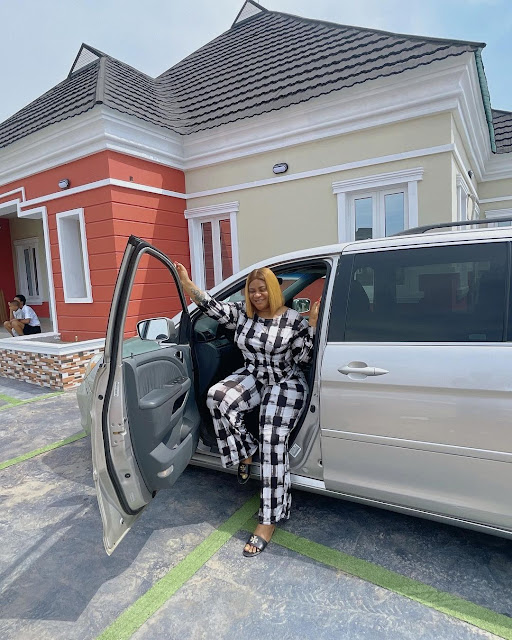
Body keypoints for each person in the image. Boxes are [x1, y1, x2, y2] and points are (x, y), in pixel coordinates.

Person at [175, 262, 320, 557]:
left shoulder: (293, 320)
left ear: (274, 290)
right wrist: (188, 285)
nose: (256, 295)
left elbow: (305, 359)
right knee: (217, 397)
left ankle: (268, 519)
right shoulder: (242, 314)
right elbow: (212, 307)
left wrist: (313, 326)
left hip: (285, 381)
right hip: (253, 375)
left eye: (262, 289)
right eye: (251, 290)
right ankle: (244, 449)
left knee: (271, 440)